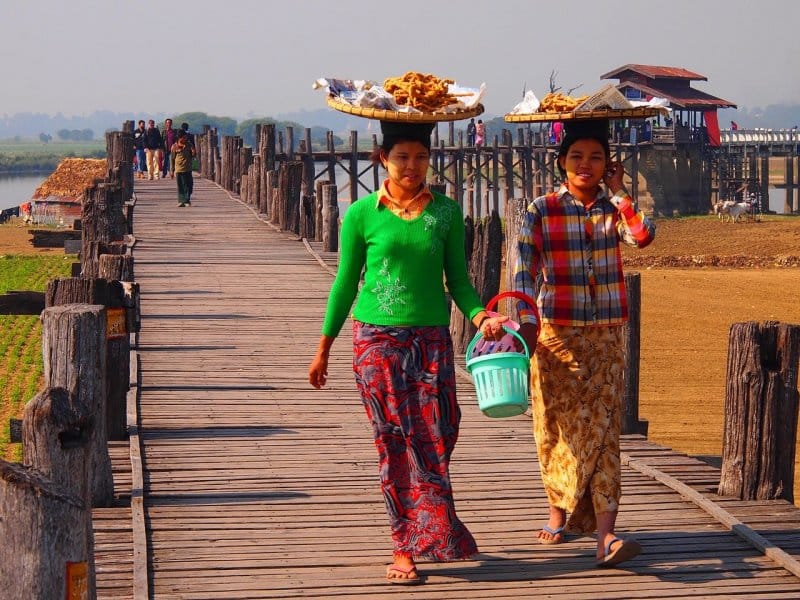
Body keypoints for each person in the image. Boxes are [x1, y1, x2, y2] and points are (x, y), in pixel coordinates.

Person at [308, 120, 508, 585]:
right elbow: (344, 283)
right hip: (376, 340)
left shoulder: (446, 213)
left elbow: (457, 280)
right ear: (383, 158)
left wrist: (480, 317)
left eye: (420, 157)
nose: (412, 166)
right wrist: (323, 348)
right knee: (394, 443)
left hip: (432, 341)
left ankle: (435, 528)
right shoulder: (361, 213)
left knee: (440, 433)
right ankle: (405, 546)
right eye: (402, 157)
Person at [513, 118, 655, 568]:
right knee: (553, 428)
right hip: (556, 337)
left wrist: (619, 191)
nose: (586, 165)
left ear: (607, 163)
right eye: (577, 157)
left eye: (596, 158)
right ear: (561, 163)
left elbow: (643, 237)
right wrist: (522, 317)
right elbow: (523, 265)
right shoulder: (542, 209)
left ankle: (605, 536)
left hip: (607, 337)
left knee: (604, 432)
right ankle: (557, 513)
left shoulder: (612, 209)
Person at [170, 129, 195, 206]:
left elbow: (193, 156)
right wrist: (172, 170)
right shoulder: (174, 146)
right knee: (181, 185)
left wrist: (193, 151)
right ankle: (182, 201)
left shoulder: (189, 145)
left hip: (188, 168)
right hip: (179, 169)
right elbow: (172, 159)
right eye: (183, 138)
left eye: (185, 137)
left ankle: (187, 199)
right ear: (179, 138)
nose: (185, 139)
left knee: (189, 185)